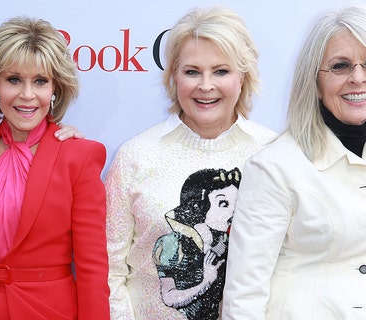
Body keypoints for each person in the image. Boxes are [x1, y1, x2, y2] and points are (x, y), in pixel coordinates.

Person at [222, 5, 366, 319]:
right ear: (314, 81)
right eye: (340, 66)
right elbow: (243, 297)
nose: (358, 78)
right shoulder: (275, 168)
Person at [104, 6, 277, 319]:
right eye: (192, 71)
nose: (206, 85)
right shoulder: (134, 156)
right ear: (173, 76)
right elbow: (109, 270)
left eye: (221, 71)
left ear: (243, 78)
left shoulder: (273, 154)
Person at [0, 16, 110, 319]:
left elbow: (92, 268)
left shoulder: (79, 156)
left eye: (40, 81)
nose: (27, 95)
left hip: (47, 311)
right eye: (13, 80)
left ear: (55, 88)